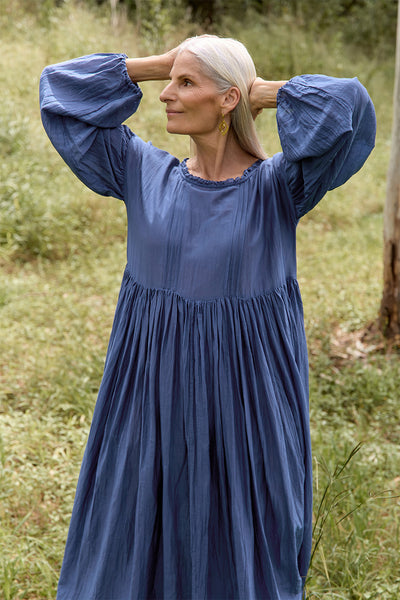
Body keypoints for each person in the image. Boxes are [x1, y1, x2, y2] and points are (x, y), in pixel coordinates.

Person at [40, 34, 376, 600]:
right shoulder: (141, 173)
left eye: (185, 83)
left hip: (247, 413)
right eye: (170, 81)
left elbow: (348, 107)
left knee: (242, 546)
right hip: (148, 405)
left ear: (228, 99)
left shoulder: (279, 188)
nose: (165, 94)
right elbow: (61, 91)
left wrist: (258, 91)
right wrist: (162, 62)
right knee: (137, 537)